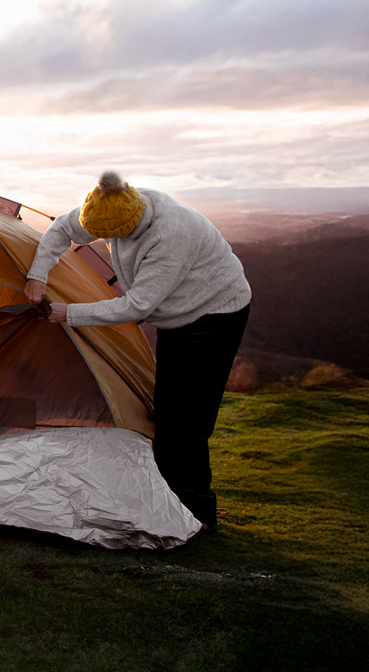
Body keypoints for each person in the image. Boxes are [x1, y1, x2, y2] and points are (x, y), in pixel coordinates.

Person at [24, 171, 251, 530]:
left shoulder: (172, 234)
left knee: (185, 418)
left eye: (111, 236)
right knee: (167, 408)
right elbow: (62, 229)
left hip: (213, 315)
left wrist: (69, 314)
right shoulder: (110, 204)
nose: (107, 241)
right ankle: (167, 497)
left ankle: (196, 514)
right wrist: (38, 273)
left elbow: (137, 306)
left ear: (129, 226)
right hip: (176, 314)